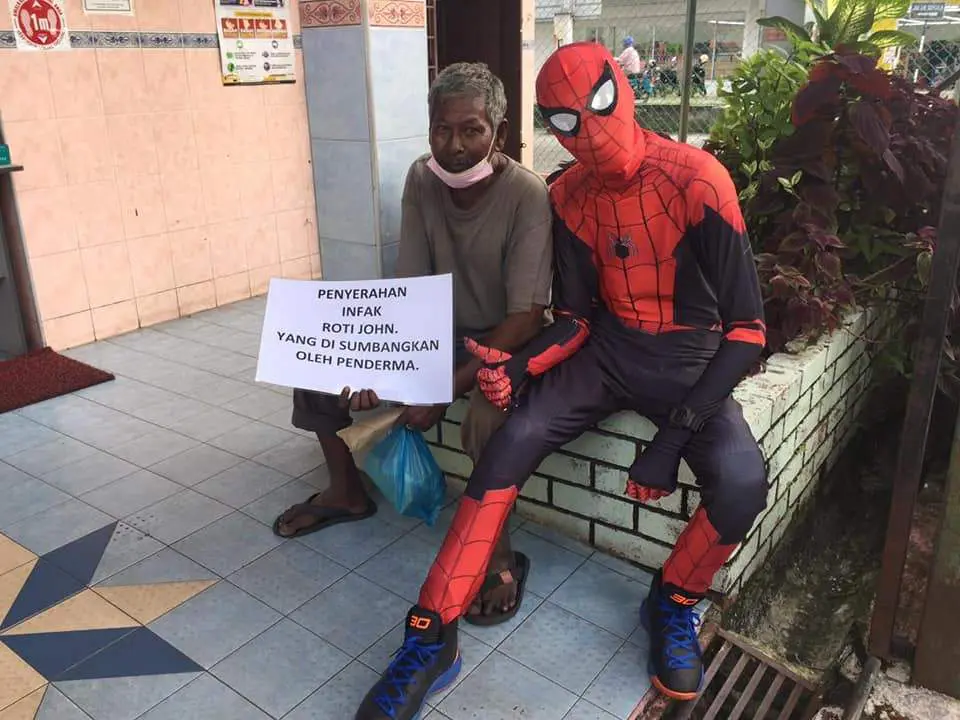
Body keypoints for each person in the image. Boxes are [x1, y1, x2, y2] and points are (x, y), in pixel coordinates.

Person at [354, 42, 768, 720]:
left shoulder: (698, 178)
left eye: (596, 106)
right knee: (510, 439)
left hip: (692, 362)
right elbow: (574, 319)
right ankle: (430, 636)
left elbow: (748, 330)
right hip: (606, 355)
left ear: (624, 89)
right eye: (565, 121)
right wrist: (516, 368)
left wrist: (675, 436)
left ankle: (674, 600)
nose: (587, 133)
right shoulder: (568, 194)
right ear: (547, 126)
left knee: (743, 481)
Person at [275, 62, 552, 622]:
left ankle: (495, 553)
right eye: (442, 130)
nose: (454, 145)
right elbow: (410, 293)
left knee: (486, 417)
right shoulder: (421, 178)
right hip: (439, 333)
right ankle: (345, 491)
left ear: (498, 132)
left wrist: (440, 389)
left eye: (472, 130)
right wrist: (384, 364)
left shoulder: (527, 193)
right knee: (320, 362)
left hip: (506, 341)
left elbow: (526, 316)